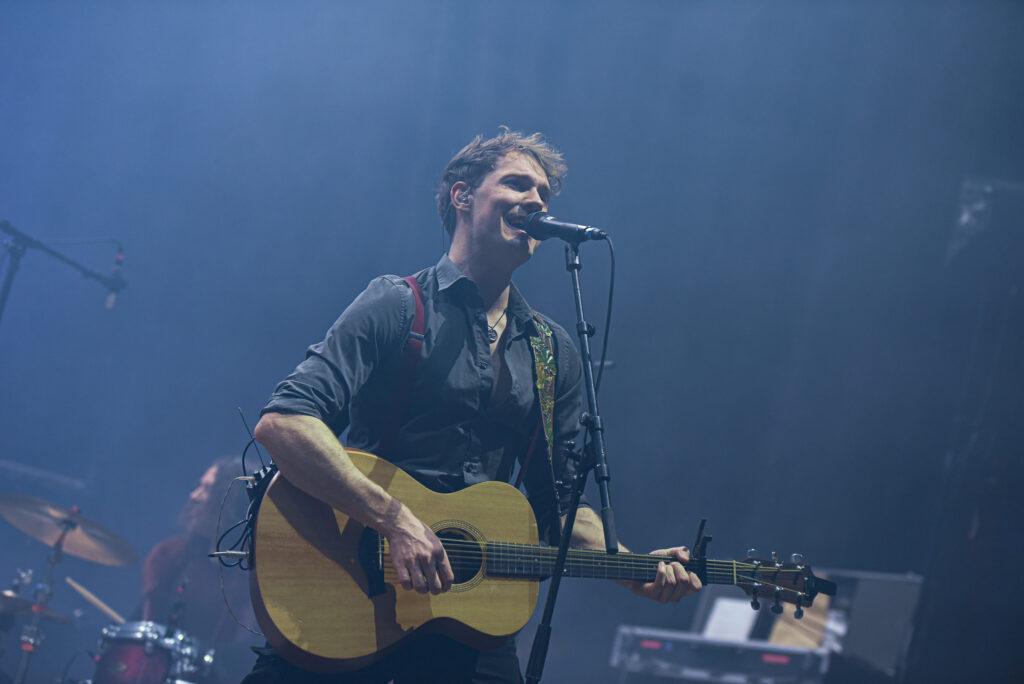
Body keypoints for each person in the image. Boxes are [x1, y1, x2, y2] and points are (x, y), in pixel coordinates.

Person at [246, 129, 701, 683]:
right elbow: (285, 422)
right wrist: (395, 520)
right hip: (351, 585)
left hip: (467, 624)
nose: (536, 201)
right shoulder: (397, 304)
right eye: (517, 184)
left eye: (544, 194)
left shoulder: (551, 350)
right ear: (462, 196)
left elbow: (559, 504)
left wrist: (629, 566)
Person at [141, 456, 258, 681]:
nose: (194, 496)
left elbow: (243, 654)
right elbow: (147, 634)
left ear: (230, 502)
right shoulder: (169, 556)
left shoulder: (253, 579)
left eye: (207, 489)